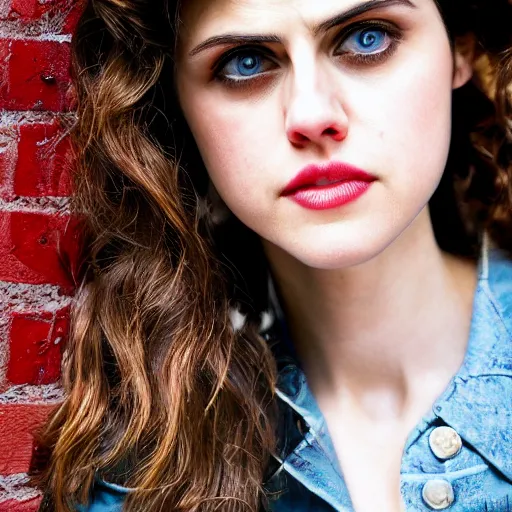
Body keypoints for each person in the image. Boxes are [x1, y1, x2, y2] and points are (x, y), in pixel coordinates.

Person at [31, 0, 512, 510]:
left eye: (367, 37)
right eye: (247, 62)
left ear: (460, 48)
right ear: (177, 105)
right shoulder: (137, 475)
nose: (311, 115)